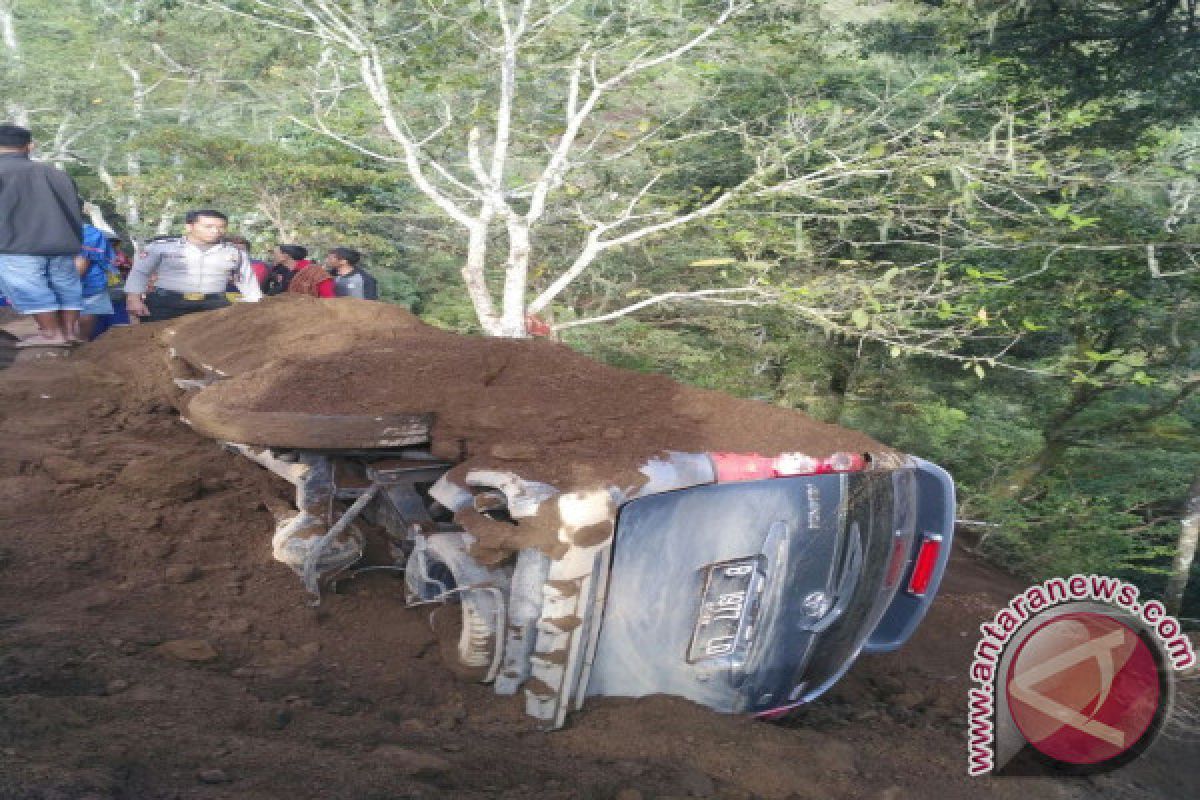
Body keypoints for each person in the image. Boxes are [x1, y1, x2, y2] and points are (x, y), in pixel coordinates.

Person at [0, 124, 86, 347]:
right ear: (30, 146)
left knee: (29, 288)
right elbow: (78, 208)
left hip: (16, 245)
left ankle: (50, 334)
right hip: (63, 244)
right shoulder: (58, 175)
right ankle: (69, 333)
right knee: (66, 286)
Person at [124, 209, 262, 322]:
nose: (215, 231)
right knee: (154, 345)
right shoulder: (161, 247)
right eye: (208, 227)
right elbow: (140, 272)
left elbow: (246, 280)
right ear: (189, 227)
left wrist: (256, 304)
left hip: (214, 305)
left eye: (221, 227)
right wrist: (134, 299)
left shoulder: (235, 252)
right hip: (166, 303)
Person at [76, 222, 118, 341]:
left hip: (90, 289)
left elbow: (81, 266)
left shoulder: (86, 231)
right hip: (89, 288)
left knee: (86, 326)